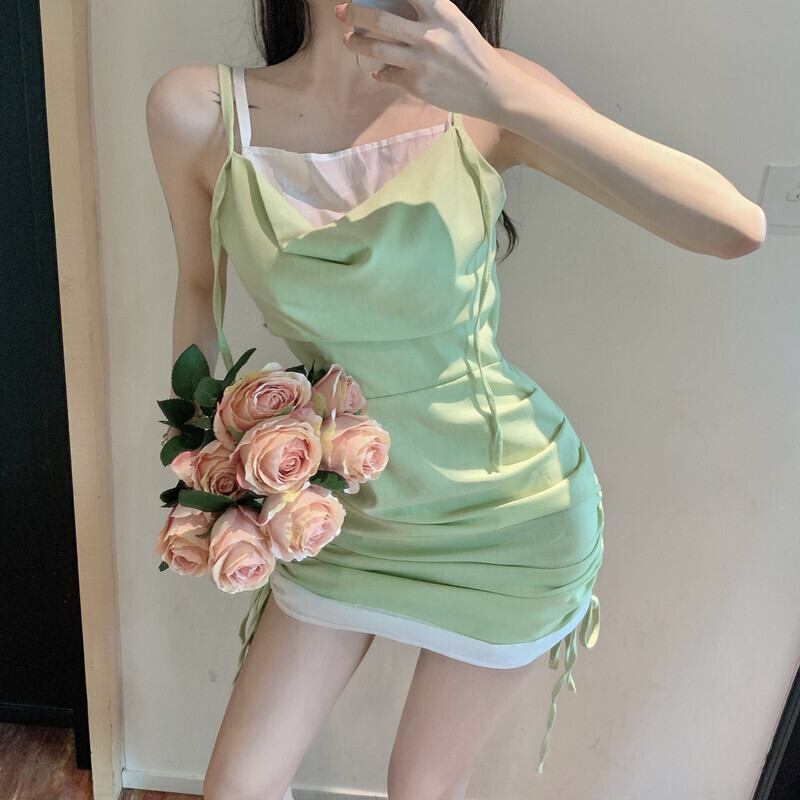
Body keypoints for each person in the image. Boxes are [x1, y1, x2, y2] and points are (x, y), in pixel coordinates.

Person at [146, 1, 766, 798]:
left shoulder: (483, 102)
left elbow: (734, 226)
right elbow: (196, 287)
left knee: (423, 787)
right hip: (339, 517)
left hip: (509, 522)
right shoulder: (200, 112)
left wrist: (503, 92)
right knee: (238, 785)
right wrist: (209, 470)